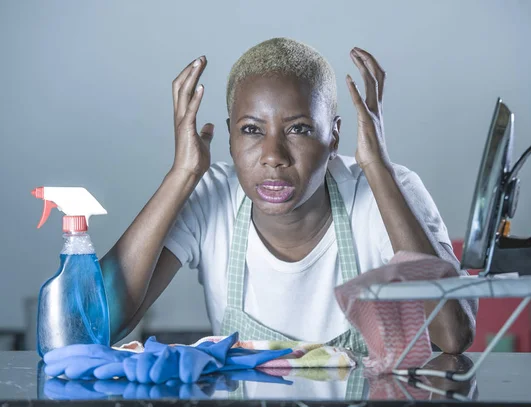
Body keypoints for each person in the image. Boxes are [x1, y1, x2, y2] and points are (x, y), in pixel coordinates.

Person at [100, 38, 476, 354]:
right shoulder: (211, 195)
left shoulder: (386, 191)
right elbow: (99, 324)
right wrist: (181, 174)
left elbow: (453, 335)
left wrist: (378, 166)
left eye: (298, 129)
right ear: (229, 137)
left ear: (334, 137)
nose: (273, 156)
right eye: (251, 130)